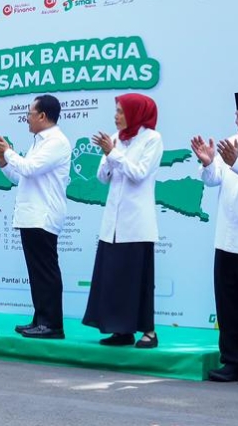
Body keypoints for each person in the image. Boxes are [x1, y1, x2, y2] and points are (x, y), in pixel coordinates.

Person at [0, 94, 71, 339]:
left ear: (42, 116)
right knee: (37, 272)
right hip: (32, 215)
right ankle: (41, 319)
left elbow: (29, 168)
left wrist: (9, 152)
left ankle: (53, 324)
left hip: (43, 214)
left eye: (29, 114)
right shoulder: (40, 141)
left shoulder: (56, 141)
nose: (27, 119)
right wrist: (2, 160)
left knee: (45, 271)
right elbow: (21, 176)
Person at [82, 93, 162, 348]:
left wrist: (113, 153)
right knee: (114, 278)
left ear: (135, 113)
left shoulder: (152, 139)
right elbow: (102, 177)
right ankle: (121, 330)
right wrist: (109, 154)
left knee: (138, 279)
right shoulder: (117, 140)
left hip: (136, 224)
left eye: (120, 111)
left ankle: (148, 332)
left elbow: (138, 174)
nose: (115, 116)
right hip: (113, 224)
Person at [193, 92, 238, 384]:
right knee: (229, 307)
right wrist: (207, 163)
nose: (237, 122)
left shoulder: (237, 155)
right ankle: (233, 360)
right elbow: (214, 177)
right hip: (226, 240)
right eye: (237, 117)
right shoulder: (232, 143)